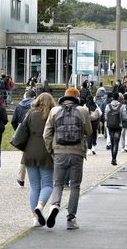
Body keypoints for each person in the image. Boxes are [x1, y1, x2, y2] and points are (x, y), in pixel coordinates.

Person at [43, 87, 92, 230]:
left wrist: (51, 150)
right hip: (77, 153)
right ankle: (71, 219)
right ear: (77, 98)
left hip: (59, 153)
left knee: (57, 183)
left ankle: (55, 205)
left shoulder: (54, 111)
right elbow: (89, 131)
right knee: (75, 185)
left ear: (64, 97)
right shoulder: (83, 111)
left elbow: (46, 134)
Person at [20, 93, 55, 227]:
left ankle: (35, 219)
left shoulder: (30, 113)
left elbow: (23, 130)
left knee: (34, 186)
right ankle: (40, 207)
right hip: (46, 151)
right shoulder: (52, 114)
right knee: (47, 185)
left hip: (30, 150)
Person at [12, 90, 37, 187]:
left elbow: (13, 121)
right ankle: (35, 179)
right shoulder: (36, 106)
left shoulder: (19, 106)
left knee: (24, 155)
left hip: (23, 133)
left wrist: (18, 131)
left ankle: (20, 178)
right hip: (35, 133)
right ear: (34, 97)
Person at [103, 92, 127, 166]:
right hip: (118, 126)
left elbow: (106, 117)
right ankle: (114, 158)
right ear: (118, 98)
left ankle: (112, 157)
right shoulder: (122, 106)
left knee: (112, 142)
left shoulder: (108, 106)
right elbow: (124, 117)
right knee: (116, 142)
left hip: (110, 126)